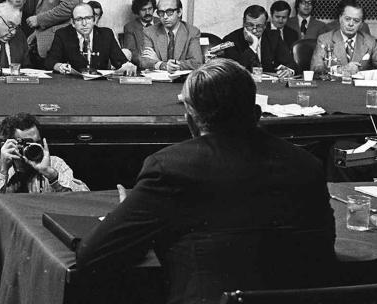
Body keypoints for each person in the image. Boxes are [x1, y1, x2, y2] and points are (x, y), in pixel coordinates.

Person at [76, 59, 336, 303]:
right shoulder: (307, 165)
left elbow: (92, 255)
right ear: (257, 112)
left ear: (190, 119)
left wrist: (127, 214)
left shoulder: (169, 168)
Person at [0, 113, 88, 218]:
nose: (34, 147)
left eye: (37, 142)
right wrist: (2, 170)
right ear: (6, 145)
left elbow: (85, 203)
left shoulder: (55, 164)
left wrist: (51, 174)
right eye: (27, 143)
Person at [310, 0, 377, 77]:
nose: (351, 24)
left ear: (361, 24)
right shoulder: (325, 39)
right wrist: (341, 70)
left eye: (356, 21)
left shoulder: (369, 41)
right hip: (334, 87)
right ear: (340, 19)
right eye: (347, 19)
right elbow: (316, 68)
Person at [45, 3, 136, 75]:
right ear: (72, 23)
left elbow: (120, 61)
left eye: (88, 18)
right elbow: (50, 61)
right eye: (79, 19)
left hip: (100, 85)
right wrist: (59, 66)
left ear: (94, 20)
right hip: (73, 84)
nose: (84, 23)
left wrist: (127, 66)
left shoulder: (106, 34)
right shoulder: (62, 34)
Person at [221, 5, 298, 78]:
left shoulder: (274, 37)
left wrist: (289, 71)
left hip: (269, 86)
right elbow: (233, 71)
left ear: (265, 25)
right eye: (250, 25)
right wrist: (253, 46)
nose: (254, 30)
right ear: (244, 23)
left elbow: (291, 64)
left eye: (259, 26)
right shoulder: (231, 39)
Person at [139, 0, 203, 71]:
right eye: (161, 12)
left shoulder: (192, 32)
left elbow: (197, 63)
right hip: (158, 81)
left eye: (169, 12)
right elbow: (144, 61)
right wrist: (163, 65)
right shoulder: (149, 32)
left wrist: (161, 62)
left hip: (182, 81)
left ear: (179, 12)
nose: (165, 17)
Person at [122, 0, 157, 66]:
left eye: (150, 9)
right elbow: (132, 53)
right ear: (137, 11)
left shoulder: (162, 23)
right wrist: (151, 64)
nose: (147, 12)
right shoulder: (130, 27)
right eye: (143, 10)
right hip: (143, 67)